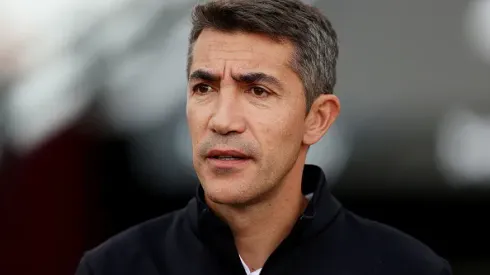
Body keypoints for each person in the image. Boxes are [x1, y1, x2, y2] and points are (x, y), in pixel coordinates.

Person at [75, 0, 452, 274]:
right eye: (204, 88)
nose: (222, 120)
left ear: (317, 119)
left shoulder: (407, 268)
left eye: (257, 91)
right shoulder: (115, 266)